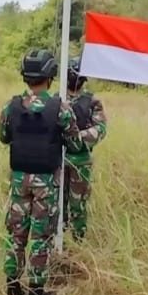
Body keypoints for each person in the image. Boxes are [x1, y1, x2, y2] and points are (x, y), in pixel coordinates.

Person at [0, 49, 82, 295]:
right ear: (50, 75)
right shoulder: (60, 108)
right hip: (46, 181)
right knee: (40, 235)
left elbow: (5, 137)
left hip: (19, 178)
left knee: (16, 232)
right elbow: (76, 143)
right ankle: (35, 294)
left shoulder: (10, 106)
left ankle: (12, 286)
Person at [61, 57, 107, 243]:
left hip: (80, 161)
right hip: (56, 160)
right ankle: (59, 240)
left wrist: (76, 138)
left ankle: (78, 240)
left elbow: (100, 129)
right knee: (56, 203)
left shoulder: (92, 101)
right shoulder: (57, 99)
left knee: (78, 204)